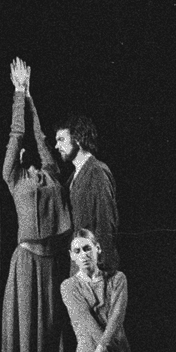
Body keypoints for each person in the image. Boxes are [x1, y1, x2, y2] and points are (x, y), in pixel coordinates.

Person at [0, 58, 71, 352]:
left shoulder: (51, 174)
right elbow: (18, 135)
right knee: (28, 335)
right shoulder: (14, 178)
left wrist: (32, 97)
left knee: (49, 339)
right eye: (23, 149)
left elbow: (40, 139)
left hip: (51, 266)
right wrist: (17, 94)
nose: (28, 148)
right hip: (26, 264)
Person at [53, 112, 120, 275]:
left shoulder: (96, 171)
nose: (56, 146)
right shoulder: (75, 176)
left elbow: (106, 223)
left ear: (77, 139)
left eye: (61, 139)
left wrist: (99, 271)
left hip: (93, 271)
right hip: (79, 267)